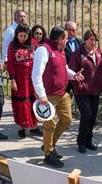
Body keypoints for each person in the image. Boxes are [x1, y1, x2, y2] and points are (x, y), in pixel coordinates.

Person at [31, 26, 83, 168]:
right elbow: (36, 74)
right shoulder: (43, 50)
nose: (67, 40)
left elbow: (64, 69)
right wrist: (42, 95)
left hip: (62, 93)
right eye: (66, 38)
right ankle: (48, 153)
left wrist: (74, 75)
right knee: (50, 125)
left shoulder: (60, 51)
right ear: (60, 39)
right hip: (48, 96)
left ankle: (49, 145)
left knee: (66, 120)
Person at [68, 29, 102, 153]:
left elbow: (101, 69)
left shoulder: (98, 52)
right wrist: (78, 86)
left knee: (93, 117)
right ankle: (81, 141)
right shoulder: (77, 54)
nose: (93, 42)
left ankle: (89, 140)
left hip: (95, 89)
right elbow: (72, 72)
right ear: (84, 40)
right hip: (82, 91)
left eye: (95, 40)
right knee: (87, 114)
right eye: (91, 39)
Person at [6, 24, 41, 139]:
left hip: (32, 77)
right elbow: (10, 63)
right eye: (20, 35)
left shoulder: (33, 44)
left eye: (25, 36)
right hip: (19, 79)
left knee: (33, 100)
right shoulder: (12, 46)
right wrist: (12, 79)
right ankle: (21, 127)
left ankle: (34, 126)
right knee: (21, 102)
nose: (22, 38)